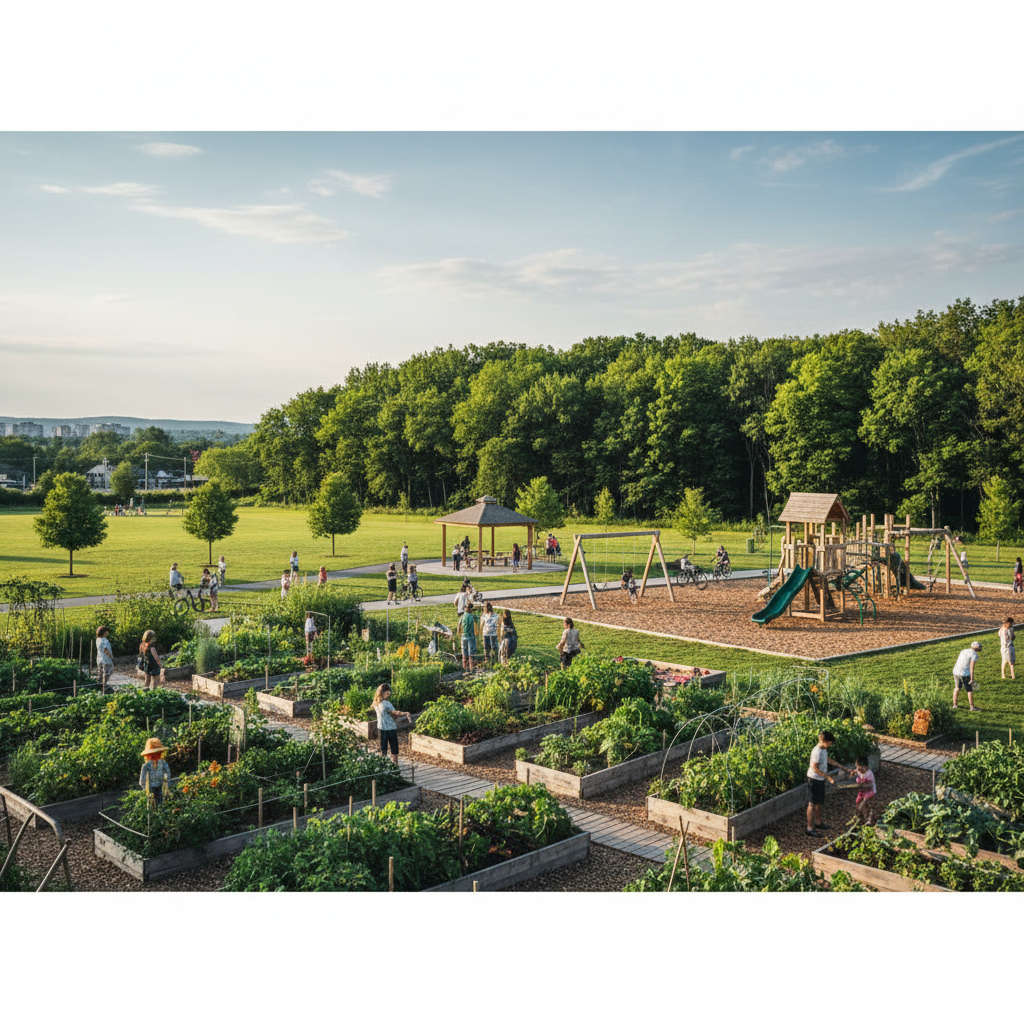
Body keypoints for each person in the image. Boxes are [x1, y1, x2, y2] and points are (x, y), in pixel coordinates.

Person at [805, 729, 844, 837]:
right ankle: (809, 828)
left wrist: (841, 766)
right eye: (829, 743)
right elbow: (814, 768)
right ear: (823, 741)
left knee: (819, 802)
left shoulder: (823, 750)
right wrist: (828, 777)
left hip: (820, 780)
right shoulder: (816, 752)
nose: (830, 745)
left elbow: (828, 759)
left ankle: (818, 823)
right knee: (812, 803)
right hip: (813, 779)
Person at [372, 683, 411, 765]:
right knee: (394, 747)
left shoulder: (375, 703)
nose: (388, 695)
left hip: (381, 728)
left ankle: (384, 764)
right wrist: (406, 713)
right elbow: (395, 713)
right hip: (390, 729)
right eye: (387, 693)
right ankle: (395, 764)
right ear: (383, 693)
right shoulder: (386, 704)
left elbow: (386, 714)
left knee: (383, 748)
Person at [139, 737, 172, 807]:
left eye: (157, 753)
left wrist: (167, 787)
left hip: (160, 787)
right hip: (150, 788)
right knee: (151, 805)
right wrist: (145, 790)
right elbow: (142, 780)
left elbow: (168, 775)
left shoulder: (163, 763)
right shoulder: (146, 766)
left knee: (160, 804)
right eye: (152, 754)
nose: (155, 756)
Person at [952, 640, 981, 711]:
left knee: (957, 688)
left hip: (956, 671)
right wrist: (971, 678)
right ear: (977, 648)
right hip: (965, 674)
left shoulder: (963, 651)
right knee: (969, 690)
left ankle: (955, 705)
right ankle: (972, 707)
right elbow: (971, 667)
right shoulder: (974, 655)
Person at [851, 755, 877, 825]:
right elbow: (855, 771)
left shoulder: (869, 774)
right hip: (862, 790)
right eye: (858, 768)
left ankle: (869, 819)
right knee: (858, 802)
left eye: (862, 769)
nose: (860, 770)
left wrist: (863, 784)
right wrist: (853, 773)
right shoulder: (858, 771)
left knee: (865, 803)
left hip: (870, 791)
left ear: (866, 767)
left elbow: (870, 785)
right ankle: (861, 817)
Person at [459, 601, 479, 672]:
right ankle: (471, 668)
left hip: (463, 636)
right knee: (471, 654)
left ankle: (464, 667)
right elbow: (477, 622)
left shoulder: (463, 615)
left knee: (464, 652)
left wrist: (459, 632)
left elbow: (459, 625)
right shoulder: (472, 616)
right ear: (471, 609)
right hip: (471, 637)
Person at [96, 625, 114, 690]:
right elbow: (106, 650)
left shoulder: (98, 640)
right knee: (109, 671)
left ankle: (100, 684)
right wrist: (111, 657)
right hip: (106, 659)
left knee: (101, 672)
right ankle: (104, 684)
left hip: (99, 659)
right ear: (105, 632)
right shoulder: (105, 640)